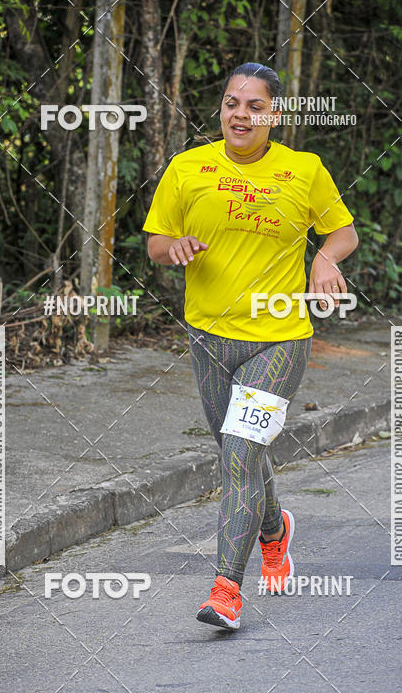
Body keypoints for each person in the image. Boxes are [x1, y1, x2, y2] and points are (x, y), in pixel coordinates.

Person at [143, 62, 358, 631]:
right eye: (232, 103)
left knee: (240, 452)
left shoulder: (303, 170)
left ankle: (226, 591)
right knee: (240, 454)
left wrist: (324, 257)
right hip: (210, 336)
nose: (241, 114)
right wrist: (177, 246)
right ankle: (274, 530)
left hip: (280, 338)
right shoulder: (188, 168)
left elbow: (343, 231)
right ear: (221, 109)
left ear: (275, 114)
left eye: (254, 105)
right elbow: (156, 244)